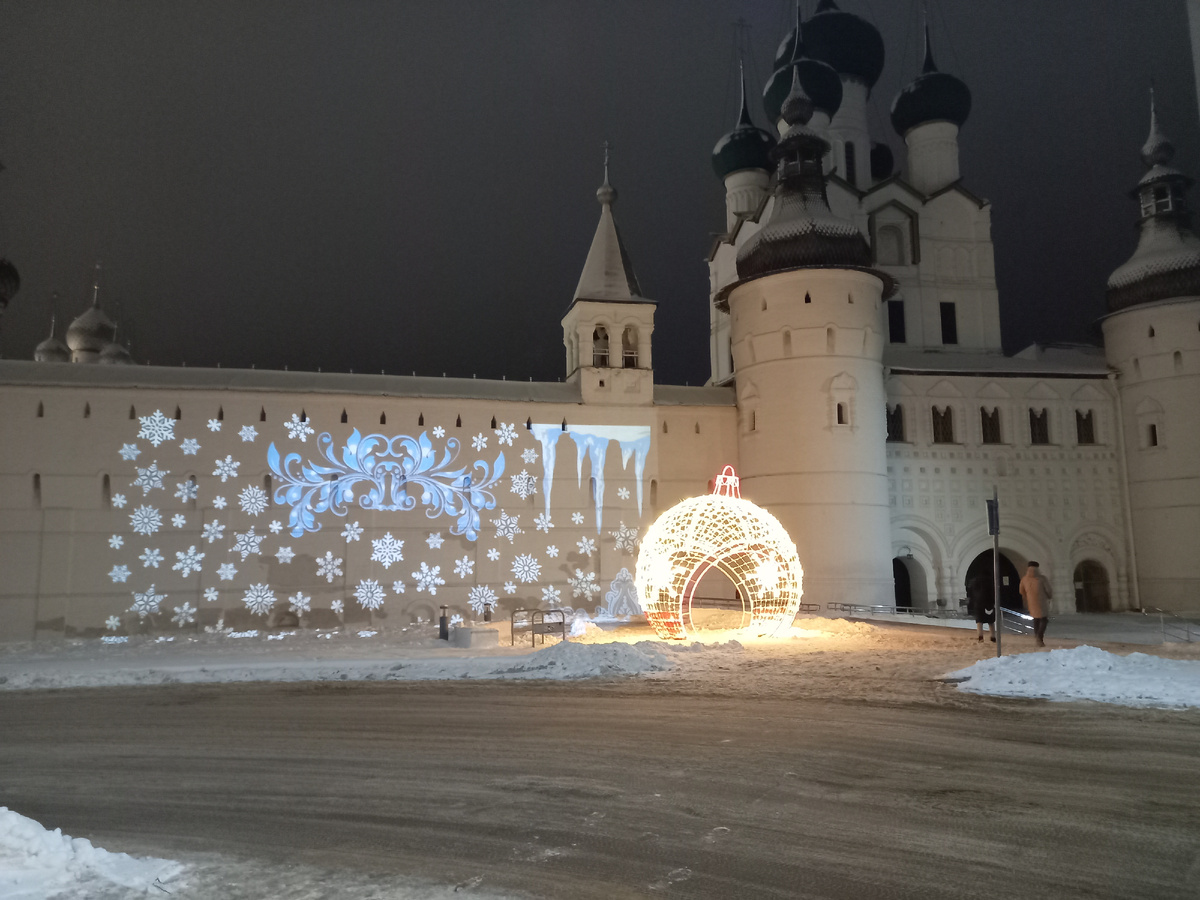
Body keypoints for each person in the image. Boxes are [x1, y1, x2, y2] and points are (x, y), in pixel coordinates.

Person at [1019, 561, 1053, 647]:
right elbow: (1048, 590)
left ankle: (1037, 636)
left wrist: (1027, 597)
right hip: (1042, 602)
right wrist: (1049, 596)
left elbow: (1021, 591)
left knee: (1036, 619)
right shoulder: (1042, 578)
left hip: (1031, 602)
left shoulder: (1024, 579)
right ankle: (1039, 637)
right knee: (1044, 619)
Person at [966, 571, 995, 642]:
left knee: (979, 621)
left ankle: (980, 637)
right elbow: (992, 592)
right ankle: (993, 637)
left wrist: (972, 602)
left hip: (977, 603)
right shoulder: (989, 581)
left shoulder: (973, 581)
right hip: (988, 603)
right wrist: (992, 602)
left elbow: (969, 593)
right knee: (991, 621)